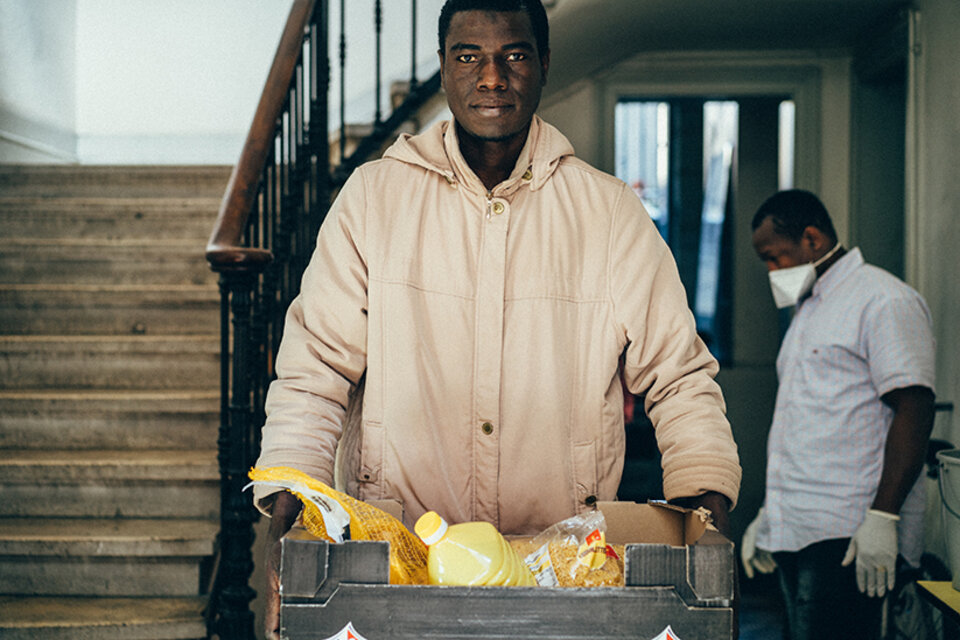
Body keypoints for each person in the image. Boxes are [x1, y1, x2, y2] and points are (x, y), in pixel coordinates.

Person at [256, 1, 740, 637]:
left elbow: (678, 376)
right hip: (396, 564)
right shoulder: (372, 200)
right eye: (469, 57)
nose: (492, 77)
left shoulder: (608, 213)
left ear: (542, 64)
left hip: (561, 571)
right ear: (443, 68)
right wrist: (285, 525)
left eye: (513, 55)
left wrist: (705, 521)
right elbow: (314, 368)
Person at [741, 189, 936, 639]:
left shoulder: (883, 300)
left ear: (812, 239)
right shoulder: (809, 309)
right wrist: (771, 514)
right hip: (799, 528)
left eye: (774, 258)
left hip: (848, 534)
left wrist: (883, 518)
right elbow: (808, 420)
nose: (772, 272)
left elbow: (914, 406)